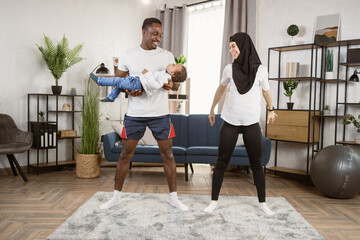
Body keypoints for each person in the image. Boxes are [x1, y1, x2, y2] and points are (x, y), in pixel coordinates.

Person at [99, 17, 189, 211]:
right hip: (135, 114)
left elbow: (176, 83)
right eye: (155, 34)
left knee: (168, 154)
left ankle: (174, 198)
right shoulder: (127, 55)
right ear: (144, 32)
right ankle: (115, 197)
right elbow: (119, 82)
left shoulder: (167, 56)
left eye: (161, 35)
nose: (158, 38)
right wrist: (128, 91)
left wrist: (171, 85)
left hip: (161, 114)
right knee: (125, 154)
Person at [204, 32, 277, 216]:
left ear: (244, 46)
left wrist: (271, 109)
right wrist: (212, 109)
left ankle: (262, 204)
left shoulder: (261, 70)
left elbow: (267, 93)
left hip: (251, 123)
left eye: (234, 46)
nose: (231, 50)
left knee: (257, 164)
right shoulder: (229, 69)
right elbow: (220, 90)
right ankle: (213, 201)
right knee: (221, 162)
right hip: (230, 121)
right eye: (230, 47)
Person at [90, 63, 187, 101]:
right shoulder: (165, 74)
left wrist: (147, 74)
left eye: (173, 65)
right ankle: (111, 97)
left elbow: (155, 85)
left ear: (172, 72)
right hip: (137, 82)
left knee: (118, 81)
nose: (171, 63)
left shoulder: (166, 77)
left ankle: (100, 81)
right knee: (120, 84)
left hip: (137, 83)